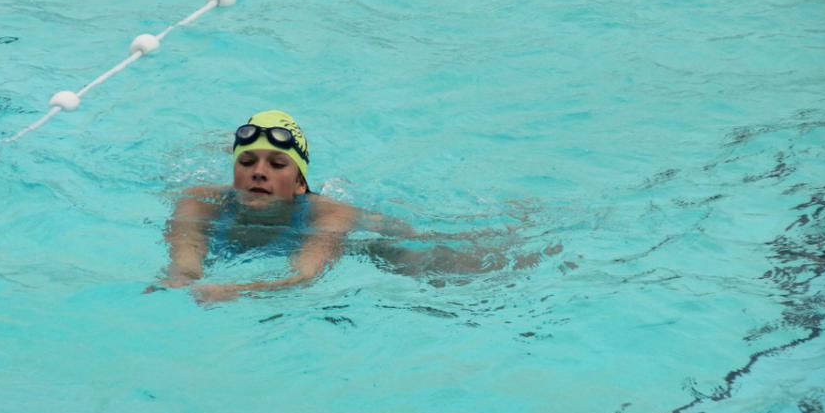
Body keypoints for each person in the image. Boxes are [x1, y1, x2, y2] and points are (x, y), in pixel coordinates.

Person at [152, 110, 552, 304]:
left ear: (300, 183)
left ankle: (530, 232)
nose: (259, 173)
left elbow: (304, 276)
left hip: (371, 240)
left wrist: (239, 290)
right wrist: (180, 281)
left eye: (276, 166)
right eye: (247, 163)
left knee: (456, 271)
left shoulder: (330, 215)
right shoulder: (200, 202)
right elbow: (184, 263)